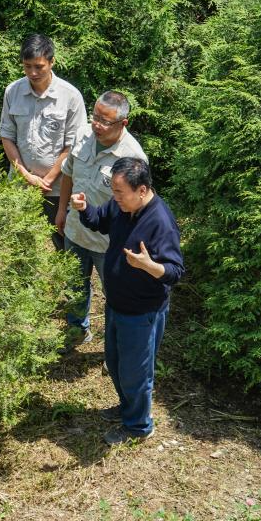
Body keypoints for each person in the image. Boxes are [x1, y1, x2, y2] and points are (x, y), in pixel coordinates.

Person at [70, 157, 184, 446]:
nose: (115, 198)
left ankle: (138, 426)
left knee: (136, 372)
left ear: (142, 190)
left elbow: (175, 272)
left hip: (142, 312)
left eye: (120, 192)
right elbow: (100, 220)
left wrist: (149, 265)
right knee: (116, 361)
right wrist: (84, 210)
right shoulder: (122, 206)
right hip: (116, 303)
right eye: (114, 192)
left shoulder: (161, 222)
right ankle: (127, 407)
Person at [55, 91, 148, 349]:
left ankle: (117, 346)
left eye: (105, 121)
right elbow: (68, 175)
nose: (97, 124)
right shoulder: (82, 135)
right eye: (95, 116)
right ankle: (77, 331)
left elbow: (139, 207)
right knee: (75, 287)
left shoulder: (133, 158)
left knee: (117, 296)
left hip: (111, 243)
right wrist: (62, 210)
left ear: (123, 123)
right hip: (76, 231)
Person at [0, 33, 86, 248]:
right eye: (27, 66)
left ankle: (72, 282)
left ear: (52, 61)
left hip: (57, 188)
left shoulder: (71, 96)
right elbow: (6, 136)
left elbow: (73, 144)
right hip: (20, 185)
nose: (33, 73)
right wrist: (26, 176)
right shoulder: (13, 91)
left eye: (39, 66)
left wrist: (48, 179)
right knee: (18, 244)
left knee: (64, 242)